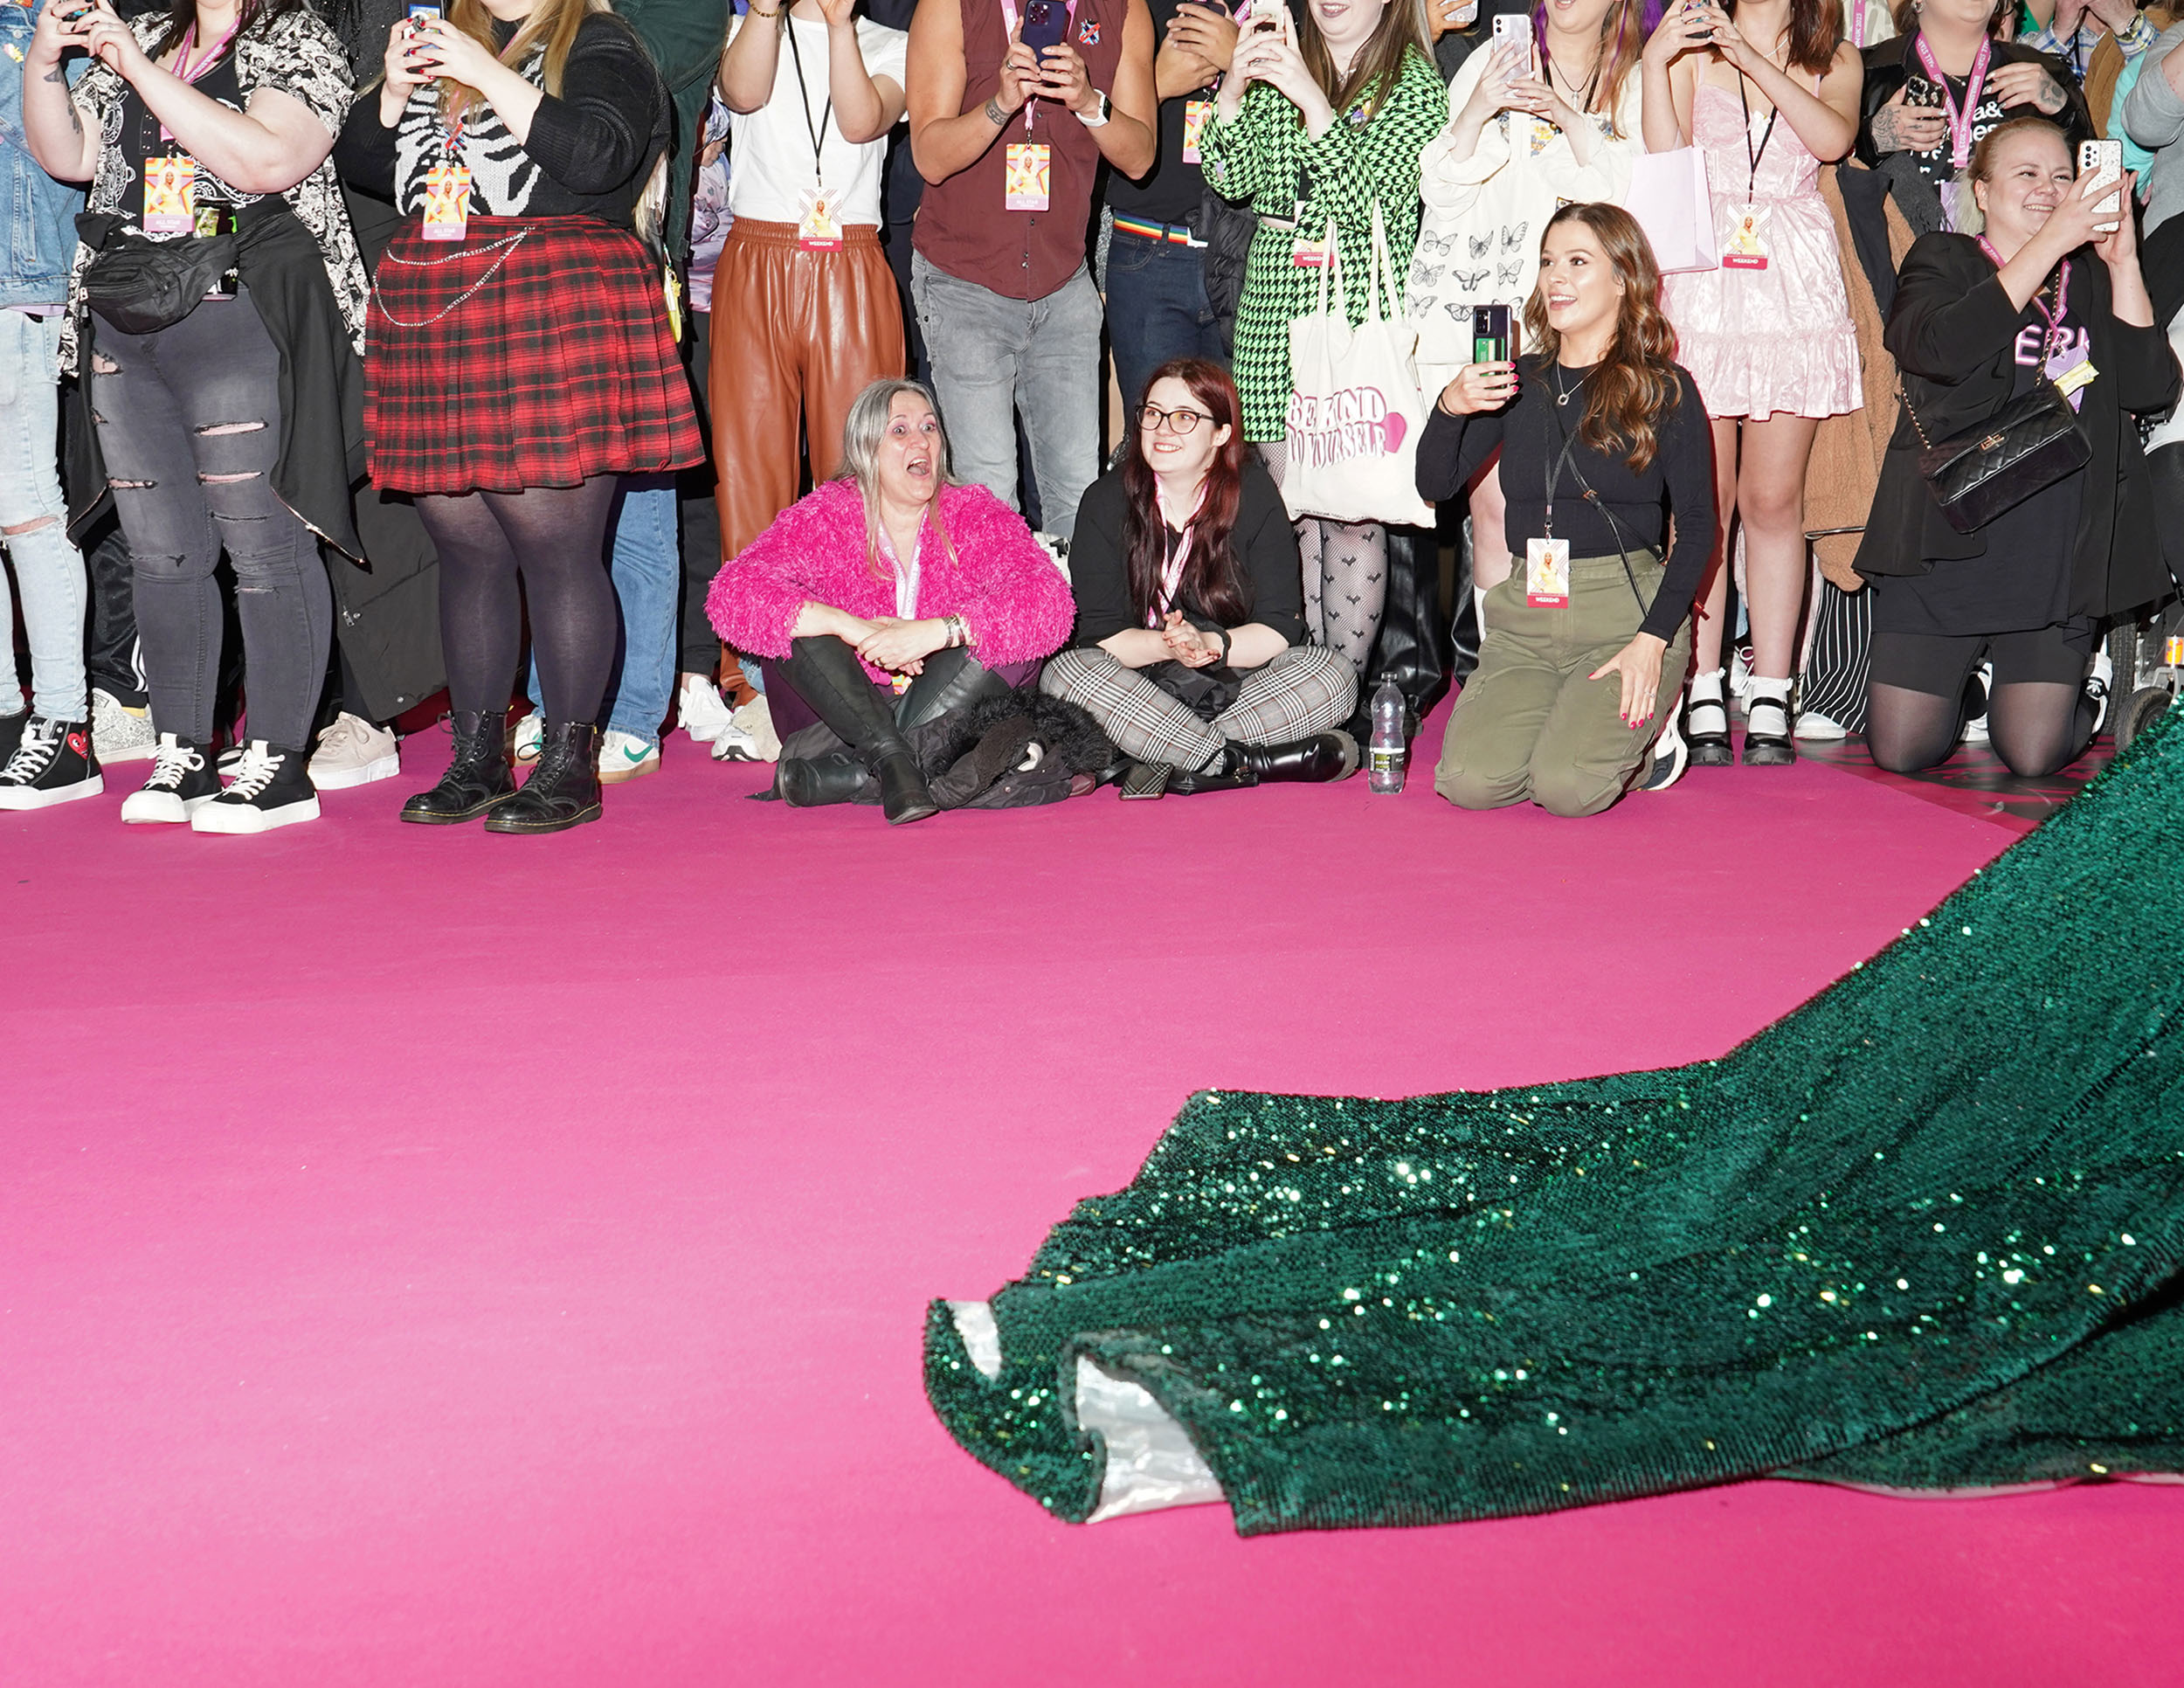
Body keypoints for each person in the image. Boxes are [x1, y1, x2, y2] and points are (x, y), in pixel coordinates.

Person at [335, 0, 702, 834]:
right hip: (444, 310)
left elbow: (598, 157)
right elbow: (363, 166)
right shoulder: (441, 45)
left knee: (558, 551)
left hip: (553, 307)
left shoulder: (603, 42)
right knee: (465, 551)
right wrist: (391, 94)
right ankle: (478, 758)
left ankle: (570, 765)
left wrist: (485, 71)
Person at [24, 0, 371, 833]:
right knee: (159, 551)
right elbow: (70, 156)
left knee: (263, 542)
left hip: (241, 310)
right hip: (127, 308)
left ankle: (280, 758)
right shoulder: (146, 28)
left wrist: (139, 72)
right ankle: (184, 746)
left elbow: (268, 160)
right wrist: (45, 61)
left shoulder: (296, 35)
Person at [1855, 117, 2177, 775]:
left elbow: (2150, 387)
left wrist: (2123, 265)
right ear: (1981, 188)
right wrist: (2054, 239)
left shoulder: (2090, 276)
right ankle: (1965, 690)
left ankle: (2088, 690)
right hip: (1948, 530)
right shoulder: (1943, 258)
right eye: (2026, 174)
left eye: (2064, 176)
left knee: (2032, 756)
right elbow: (1935, 349)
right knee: (1901, 749)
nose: (2047, 189)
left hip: (2058, 543)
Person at [1417, 203, 1716, 816]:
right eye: (1549, 262)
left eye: (1578, 262)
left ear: (1622, 279)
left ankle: (1653, 736)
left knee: (1568, 791)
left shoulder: (1664, 387)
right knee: (1470, 783)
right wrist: (1451, 405)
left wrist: (1652, 640)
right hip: (1526, 617)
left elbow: (1700, 528)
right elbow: (1435, 483)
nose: (1556, 277)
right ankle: (1568, 722)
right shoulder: (1514, 380)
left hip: (1623, 618)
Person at [1197, 0, 1445, 675]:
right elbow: (1231, 178)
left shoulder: (1414, 84)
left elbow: (1377, 208)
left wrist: (1315, 103)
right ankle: (1294, 687)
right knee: (1287, 512)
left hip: (1353, 311)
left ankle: (1338, 688)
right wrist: (1234, 88)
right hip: (1271, 308)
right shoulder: (1285, 59)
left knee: (1352, 514)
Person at [1644, 0, 1862, 768]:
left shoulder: (1834, 53)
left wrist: (1751, 58)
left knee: (1775, 501)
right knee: (1708, 502)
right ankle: (1700, 684)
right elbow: (1664, 158)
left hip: (1795, 279)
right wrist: (1653, 62)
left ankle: (1771, 687)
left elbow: (1832, 139)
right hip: (1705, 279)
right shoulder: (1688, 47)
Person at [706, 378, 1076, 823]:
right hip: (834, 719)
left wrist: (938, 632)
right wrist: (848, 626)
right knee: (799, 623)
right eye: (899, 431)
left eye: (930, 428)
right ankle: (895, 759)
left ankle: (865, 773)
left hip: (936, 717)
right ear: (866, 449)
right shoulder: (827, 513)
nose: (920, 440)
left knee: (1007, 638)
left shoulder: (973, 512)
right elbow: (732, 593)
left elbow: (1049, 601)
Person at [1410, 0, 1649, 640]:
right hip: (1495, 314)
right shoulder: (1498, 58)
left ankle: (1570, 658)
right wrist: (1477, 108)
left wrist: (1566, 116)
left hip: (1586, 324)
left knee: (1573, 503)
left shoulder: (1634, 73)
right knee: (1494, 509)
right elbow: (1440, 187)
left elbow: (1625, 191)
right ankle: (1499, 671)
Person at [1040, 357, 1360, 792]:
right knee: (1065, 676)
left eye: (1184, 417)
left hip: (1241, 682)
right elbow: (1099, 637)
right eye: (1152, 414)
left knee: (1332, 675)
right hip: (1141, 686)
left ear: (1221, 433)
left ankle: (1170, 758)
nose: (1162, 429)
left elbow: (1282, 627)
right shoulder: (1106, 500)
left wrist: (1211, 644)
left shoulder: (1253, 493)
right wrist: (1167, 644)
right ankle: (1244, 761)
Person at [906, 0, 1158, 541]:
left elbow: (1139, 156)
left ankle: (1067, 625)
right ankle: (998, 627)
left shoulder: (1123, 11)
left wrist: (1091, 103)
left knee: (1077, 499)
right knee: (989, 501)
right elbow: (929, 154)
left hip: (1064, 286)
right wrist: (1000, 104)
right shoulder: (949, 7)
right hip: (963, 285)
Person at [712, 0, 910, 586]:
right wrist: (766, 10)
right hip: (756, 254)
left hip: (850, 261)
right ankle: (751, 662)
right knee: (749, 473)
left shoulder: (889, 42)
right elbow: (742, 95)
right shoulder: (743, 29)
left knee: (860, 473)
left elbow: (860, 121)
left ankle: (861, 653)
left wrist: (838, 24)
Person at [0, 0, 96, 811]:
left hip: (22, 292)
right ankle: (6, 713)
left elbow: (85, 162)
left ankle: (65, 722)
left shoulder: (58, 24)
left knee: (28, 509)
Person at [1103, 0, 1238, 418]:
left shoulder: (1289, 11)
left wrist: (1243, 62)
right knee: (1153, 439)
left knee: (1238, 448)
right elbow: (1070, 128)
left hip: (1246, 253)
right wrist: (1154, 84)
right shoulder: (1135, 7)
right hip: (1148, 252)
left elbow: (1320, 129)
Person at [1856, 0, 2091, 230]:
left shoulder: (2045, 73)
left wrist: (2064, 111)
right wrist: (1871, 139)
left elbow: (2093, 180)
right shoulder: (1867, 72)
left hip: (2018, 258)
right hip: (1894, 258)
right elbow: (1830, 186)